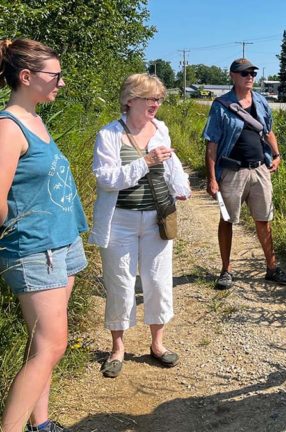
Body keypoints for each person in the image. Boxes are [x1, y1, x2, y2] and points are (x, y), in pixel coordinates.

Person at [0, 38, 88, 432]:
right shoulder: (8, 127)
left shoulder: (35, 119)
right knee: (52, 345)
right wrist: (23, 229)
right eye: (55, 75)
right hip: (36, 249)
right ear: (26, 76)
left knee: (44, 346)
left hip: (62, 242)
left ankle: (41, 423)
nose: (61, 83)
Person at [89, 73, 191, 379]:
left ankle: (157, 344)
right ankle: (117, 348)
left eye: (159, 99)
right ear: (130, 100)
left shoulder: (161, 129)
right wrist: (145, 162)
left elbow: (170, 165)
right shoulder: (109, 135)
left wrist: (180, 187)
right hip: (119, 220)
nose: (156, 104)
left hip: (157, 218)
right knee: (120, 282)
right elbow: (106, 179)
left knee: (158, 281)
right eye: (151, 98)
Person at [203, 58, 286, 289]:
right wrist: (212, 178)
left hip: (260, 169)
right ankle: (226, 271)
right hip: (232, 172)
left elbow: (268, 131)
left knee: (264, 219)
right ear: (232, 76)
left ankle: (272, 268)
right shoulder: (221, 105)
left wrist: (277, 155)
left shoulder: (261, 101)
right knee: (227, 220)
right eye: (244, 73)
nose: (250, 77)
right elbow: (212, 144)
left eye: (253, 73)